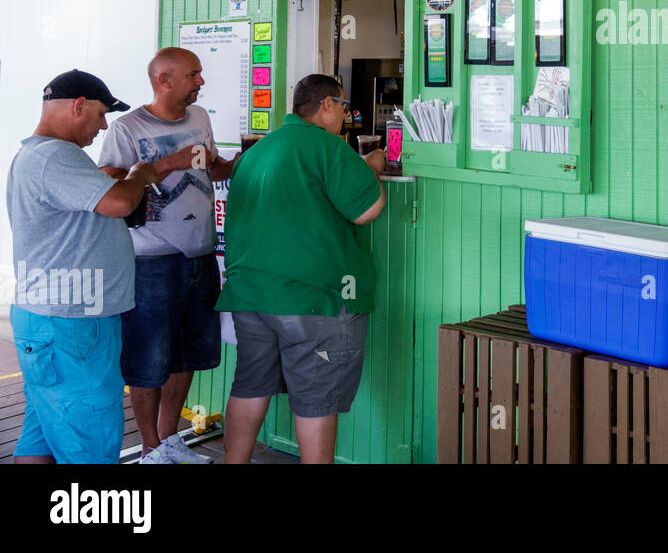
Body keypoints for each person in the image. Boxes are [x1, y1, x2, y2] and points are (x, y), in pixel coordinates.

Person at [216, 74, 386, 464]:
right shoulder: (327, 146)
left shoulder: (259, 149)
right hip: (314, 299)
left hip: (251, 294)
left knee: (250, 385)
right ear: (327, 104)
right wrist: (371, 168)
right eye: (344, 106)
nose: (345, 114)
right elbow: (367, 210)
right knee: (316, 398)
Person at [6, 70, 159, 464]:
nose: (104, 125)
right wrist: (140, 175)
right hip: (73, 324)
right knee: (90, 444)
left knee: (40, 435)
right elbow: (121, 204)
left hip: (51, 320)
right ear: (78, 106)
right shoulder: (56, 155)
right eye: (100, 113)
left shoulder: (34, 154)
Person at [98, 47, 234, 464]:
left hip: (201, 254)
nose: (201, 81)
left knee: (187, 354)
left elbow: (212, 169)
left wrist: (244, 161)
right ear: (164, 80)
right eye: (194, 74)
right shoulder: (127, 128)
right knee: (148, 359)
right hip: (151, 260)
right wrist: (169, 163)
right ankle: (150, 449)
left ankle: (168, 440)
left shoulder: (200, 118)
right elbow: (107, 181)